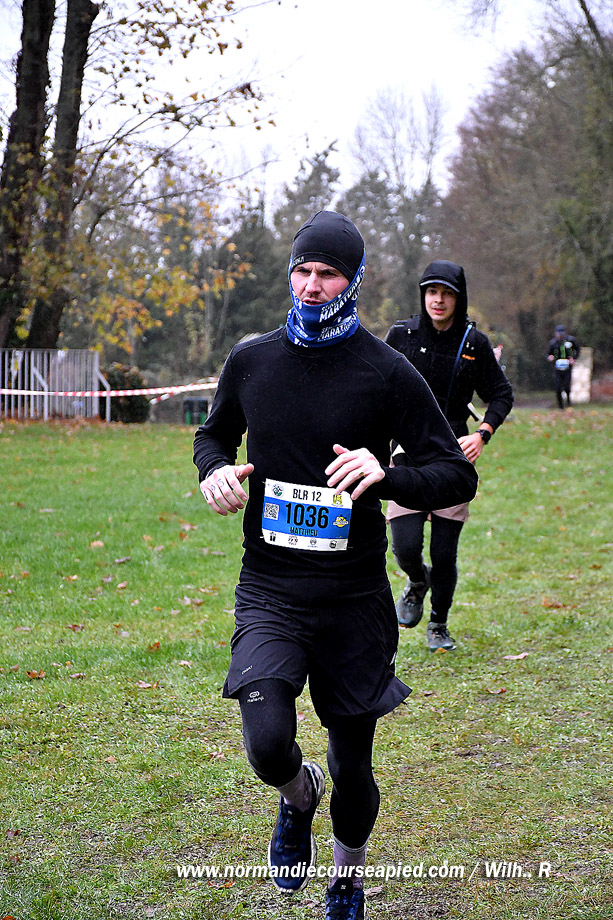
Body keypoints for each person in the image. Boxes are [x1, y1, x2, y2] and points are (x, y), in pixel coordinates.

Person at [193, 213, 478, 919]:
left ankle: (347, 880)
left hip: (353, 598)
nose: (312, 285)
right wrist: (214, 471)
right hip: (270, 588)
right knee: (268, 745)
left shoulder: (385, 371)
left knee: (354, 768)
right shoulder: (253, 359)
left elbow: (454, 474)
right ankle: (298, 796)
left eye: (327, 273)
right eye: (302, 270)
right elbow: (213, 434)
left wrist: (386, 476)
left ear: (353, 281)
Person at [385, 260, 513, 651]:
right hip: (406, 455)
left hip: (452, 459)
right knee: (405, 546)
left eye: (446, 293)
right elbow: (376, 387)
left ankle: (438, 625)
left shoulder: (474, 344)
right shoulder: (401, 336)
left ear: (459, 298)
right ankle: (416, 580)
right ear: (422, 295)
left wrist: (482, 434)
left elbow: (501, 394)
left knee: (444, 553)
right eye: (431, 292)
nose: (438, 300)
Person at [547, 324, 580, 409]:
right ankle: (560, 406)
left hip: (567, 367)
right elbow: (548, 353)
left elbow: (577, 349)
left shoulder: (570, 341)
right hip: (557, 368)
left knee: (567, 386)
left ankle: (568, 403)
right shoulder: (553, 343)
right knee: (558, 387)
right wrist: (550, 357)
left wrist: (573, 358)